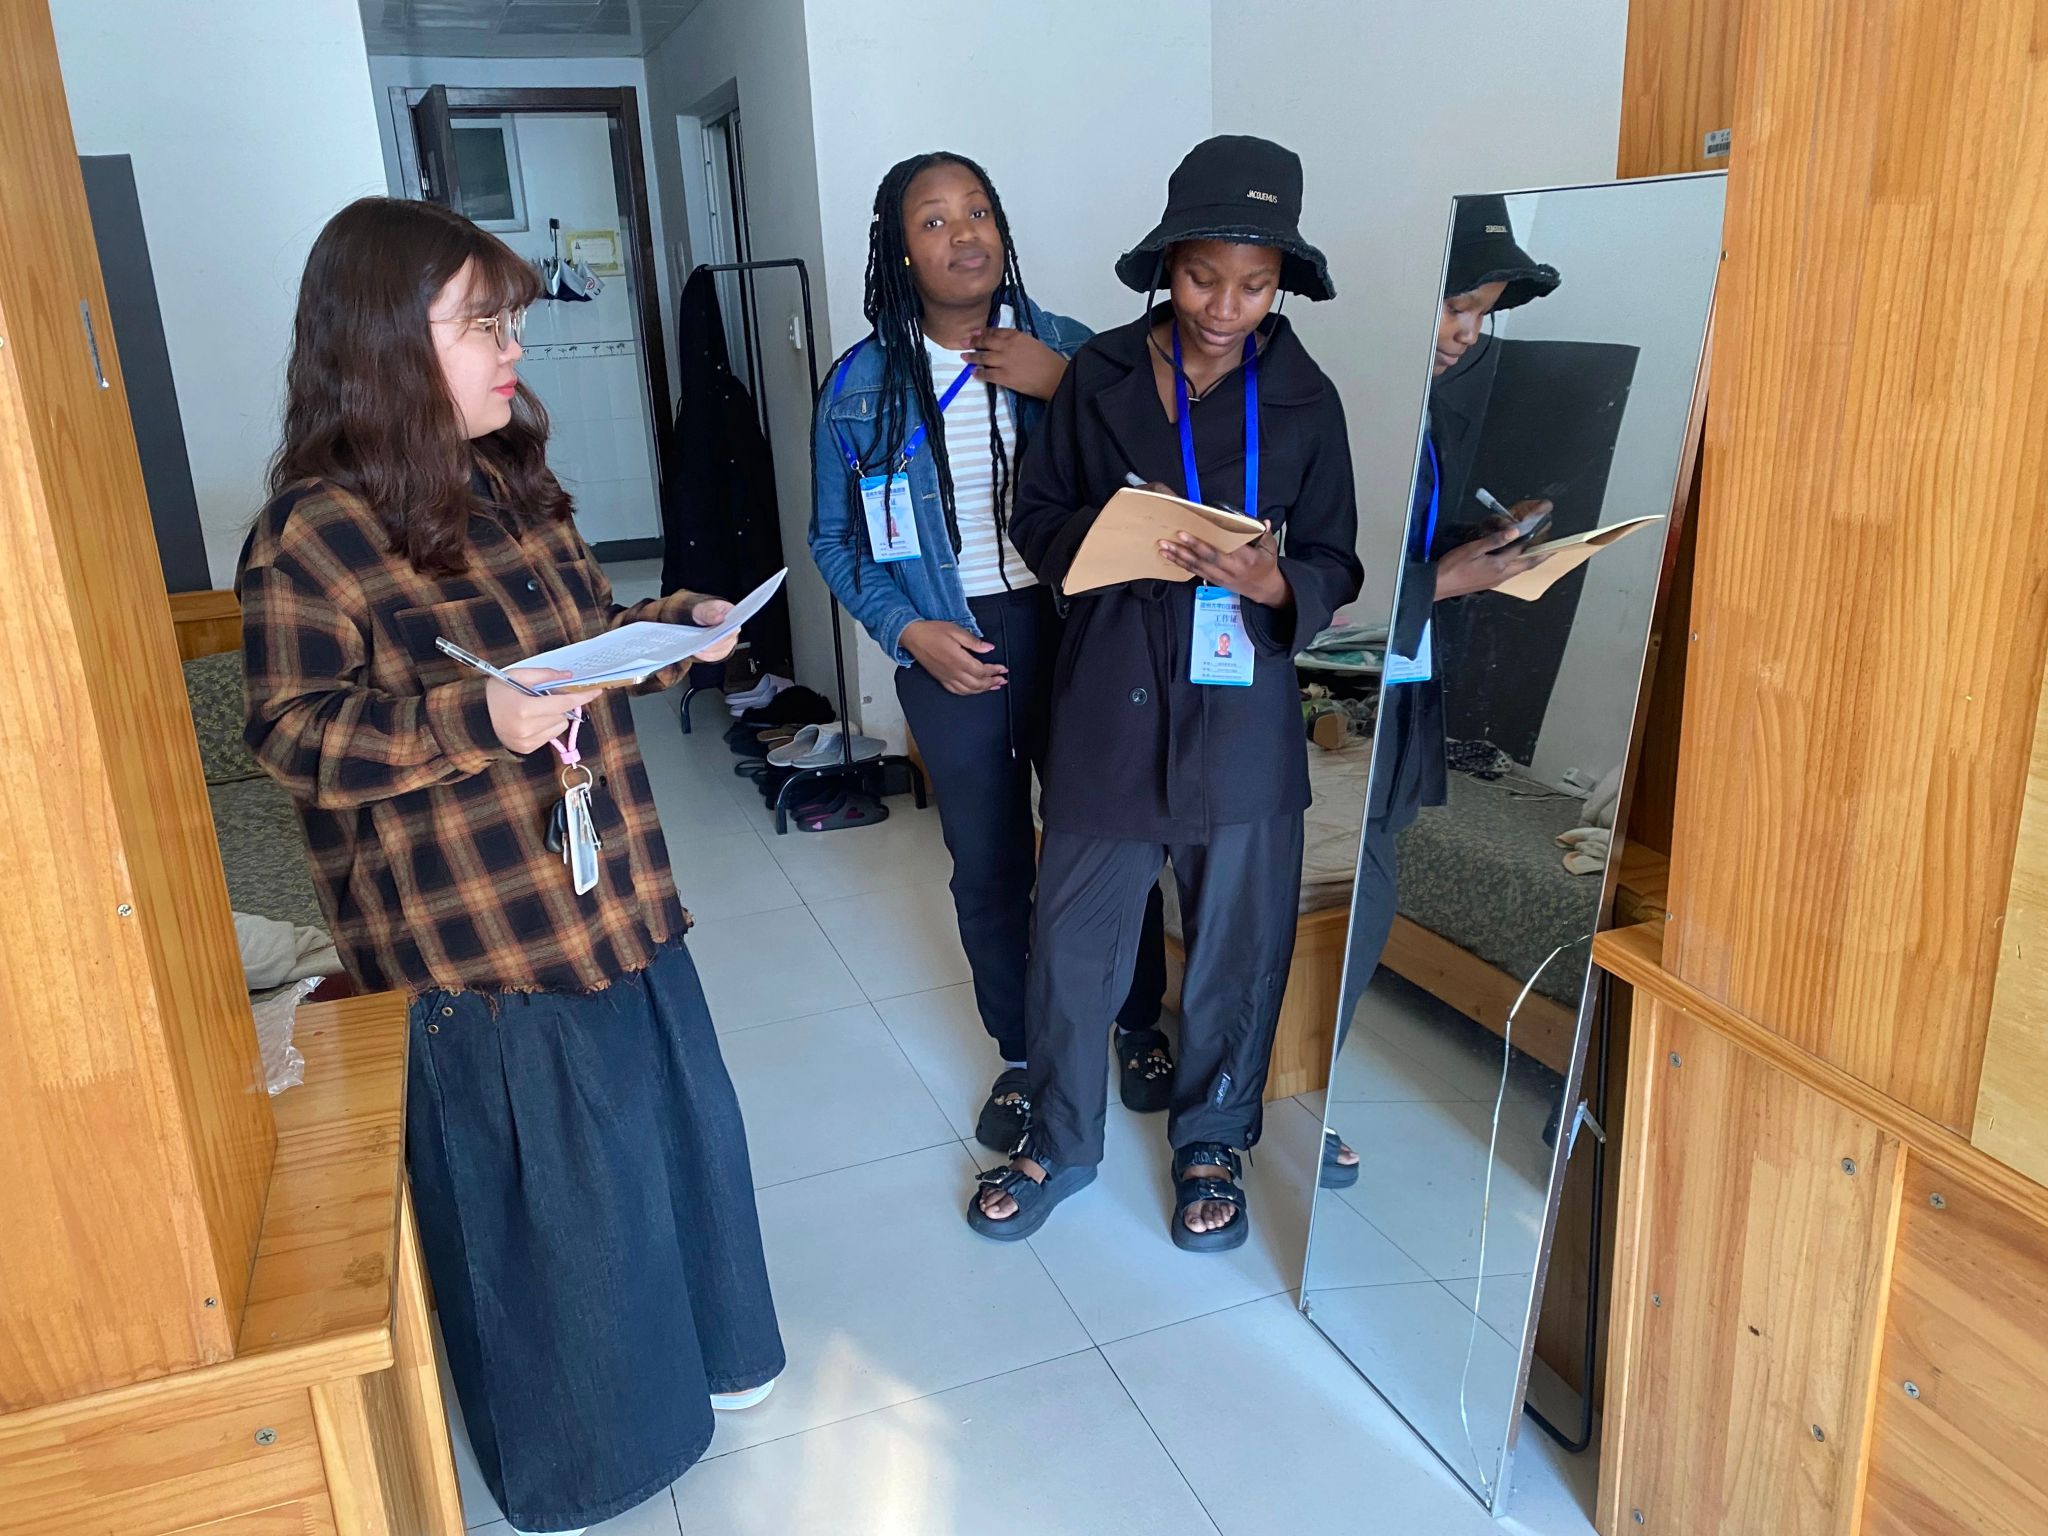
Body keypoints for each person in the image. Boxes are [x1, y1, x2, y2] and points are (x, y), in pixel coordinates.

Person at [238, 197, 784, 1536]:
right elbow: (291, 737)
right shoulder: (311, 533)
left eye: (512, 325)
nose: (513, 352)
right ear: (382, 341)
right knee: (561, 1219)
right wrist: (469, 721)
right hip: (480, 951)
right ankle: (592, 1456)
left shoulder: (505, 480)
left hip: (613, 897)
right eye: (483, 326)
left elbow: (581, 636)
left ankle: (710, 1362)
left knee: (665, 1147)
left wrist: (678, 626)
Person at [971, 136, 1362, 1251]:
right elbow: (1036, 515)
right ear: (1166, 266)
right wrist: (1114, 540)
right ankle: (1059, 1139)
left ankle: (1212, 1141)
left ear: (1281, 283)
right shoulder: (1096, 374)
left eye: (1253, 284)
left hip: (1240, 714)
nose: (1224, 308)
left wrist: (1272, 580)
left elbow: (1334, 556)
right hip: (1110, 696)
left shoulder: (1306, 399)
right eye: (1201, 278)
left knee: (1238, 944)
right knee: (1072, 942)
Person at [810, 152, 1173, 1154]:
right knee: (989, 861)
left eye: (977, 211)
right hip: (949, 641)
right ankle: (1023, 1053)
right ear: (899, 252)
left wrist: (1068, 386)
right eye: (933, 220)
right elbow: (834, 539)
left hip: (1082, 632)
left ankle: (1137, 1021)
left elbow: (1157, 478)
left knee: (1112, 840)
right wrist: (906, 630)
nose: (963, 232)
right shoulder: (859, 386)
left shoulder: (1075, 350)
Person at [1321, 193, 1561, 1188]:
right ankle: (1268, 1091)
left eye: (1481, 314)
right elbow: (1318, 584)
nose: (1466, 333)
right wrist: (1442, 582)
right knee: (1334, 901)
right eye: (1455, 306)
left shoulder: (1430, 415)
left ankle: (1298, 1086)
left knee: (1369, 894)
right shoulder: (1336, 405)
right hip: (1332, 691)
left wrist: (1478, 546)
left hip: (1403, 686)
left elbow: (1401, 549)